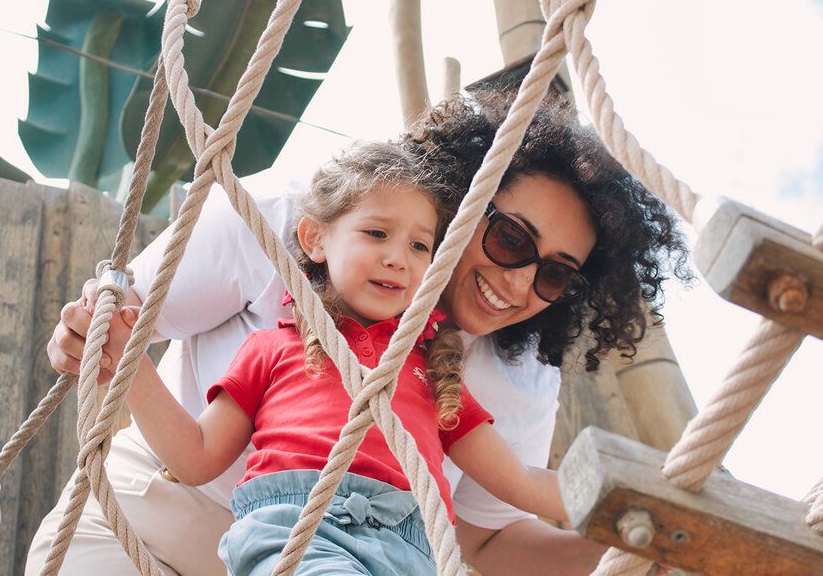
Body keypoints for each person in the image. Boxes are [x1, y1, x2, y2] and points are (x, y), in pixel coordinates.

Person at [27, 86, 690, 576]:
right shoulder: (294, 225)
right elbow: (120, 320)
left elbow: (485, 537)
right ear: (457, 203)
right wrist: (87, 338)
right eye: (510, 238)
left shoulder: (500, 374)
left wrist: (627, 540)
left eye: (556, 276)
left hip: (364, 558)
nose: (520, 283)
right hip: (153, 527)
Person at [95, 142, 570, 574]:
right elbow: (197, 457)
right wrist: (128, 364)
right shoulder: (274, 349)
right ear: (315, 239)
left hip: (413, 548)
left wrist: (633, 504)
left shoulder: (436, 375)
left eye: (419, 245)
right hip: (295, 530)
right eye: (377, 233)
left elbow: (520, 482)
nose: (397, 258)